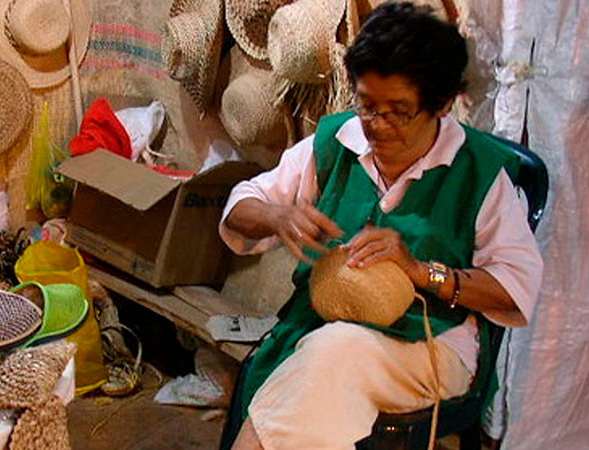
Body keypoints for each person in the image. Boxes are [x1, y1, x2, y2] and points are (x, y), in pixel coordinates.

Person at [218, 3, 544, 449]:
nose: (377, 126)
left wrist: (420, 271)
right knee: (318, 361)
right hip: (327, 326)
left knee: (331, 357)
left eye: (399, 112)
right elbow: (241, 206)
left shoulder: (478, 174)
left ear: (443, 105)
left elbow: (514, 288)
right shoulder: (338, 141)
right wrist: (278, 215)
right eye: (367, 105)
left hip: (433, 346)